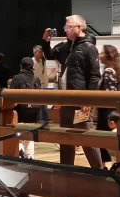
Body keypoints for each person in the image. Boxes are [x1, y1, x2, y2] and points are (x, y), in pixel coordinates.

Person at [41, 15, 103, 169]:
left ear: (79, 28)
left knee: (87, 138)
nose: (66, 30)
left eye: (69, 27)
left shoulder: (89, 48)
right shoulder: (67, 46)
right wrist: (45, 42)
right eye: (65, 27)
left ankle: (99, 171)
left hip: (80, 101)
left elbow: (94, 76)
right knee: (66, 137)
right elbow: (50, 55)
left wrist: (88, 101)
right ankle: (66, 169)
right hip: (66, 100)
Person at [9, 57, 43, 159]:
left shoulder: (16, 78)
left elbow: (10, 97)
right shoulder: (36, 79)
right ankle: (30, 157)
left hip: (20, 112)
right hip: (34, 112)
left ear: (21, 66)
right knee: (30, 136)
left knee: (17, 135)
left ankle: (20, 152)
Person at [96, 45, 120, 164]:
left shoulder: (108, 72)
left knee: (102, 139)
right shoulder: (113, 71)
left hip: (106, 111)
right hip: (108, 110)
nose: (100, 55)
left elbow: (109, 93)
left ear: (108, 56)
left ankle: (105, 167)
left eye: (102, 52)